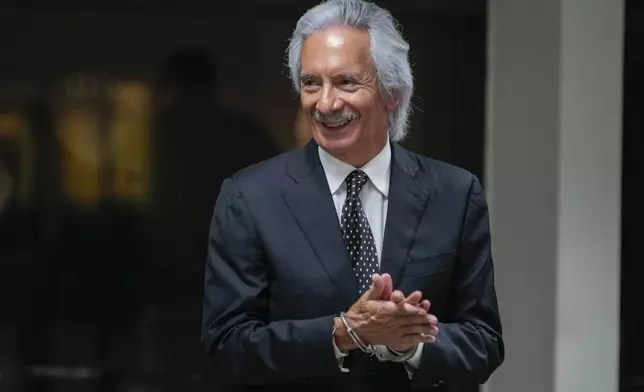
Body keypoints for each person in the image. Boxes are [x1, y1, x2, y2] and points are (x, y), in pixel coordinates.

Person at [201, 0, 504, 390]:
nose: (325, 103)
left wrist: (407, 346)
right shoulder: (249, 197)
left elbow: (484, 343)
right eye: (311, 83)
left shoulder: (455, 194)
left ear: (391, 92)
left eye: (346, 81)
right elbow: (225, 349)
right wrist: (344, 332)